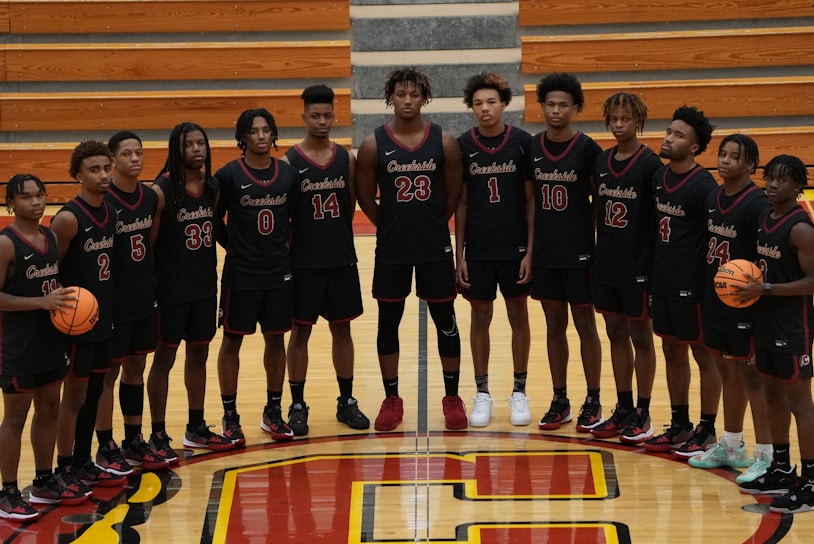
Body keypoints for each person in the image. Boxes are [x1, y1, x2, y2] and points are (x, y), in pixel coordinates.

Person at [356, 66, 466, 431]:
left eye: (414, 95)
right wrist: (386, 224)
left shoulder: (444, 141)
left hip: (434, 246)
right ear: (391, 98)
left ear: (424, 98)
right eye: (400, 95)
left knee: (446, 323)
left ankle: (452, 398)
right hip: (392, 248)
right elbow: (365, 196)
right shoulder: (374, 144)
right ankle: (391, 398)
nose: (407, 100)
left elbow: (453, 193)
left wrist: (435, 223)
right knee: (388, 323)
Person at [282, 85, 370, 434]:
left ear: (335, 116)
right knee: (300, 333)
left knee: (342, 329)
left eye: (327, 115)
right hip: (303, 262)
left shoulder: (346, 158)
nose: (322, 121)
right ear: (303, 117)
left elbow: (349, 208)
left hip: (339, 258)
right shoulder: (290, 161)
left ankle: (346, 401)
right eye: (315, 116)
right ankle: (298, 403)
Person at [0, 174, 85, 520]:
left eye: (40, 195)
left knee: (50, 408)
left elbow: (53, 285)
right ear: (11, 205)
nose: (35, 202)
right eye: (26, 197)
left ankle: (44, 480)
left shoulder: (50, 235)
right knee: (16, 417)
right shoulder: (6, 243)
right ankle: (7, 492)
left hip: (51, 340)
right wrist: (40, 302)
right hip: (17, 345)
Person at [688, 134, 772, 477]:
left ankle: (768, 456)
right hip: (716, 300)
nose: (725, 161)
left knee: (754, 378)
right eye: (722, 154)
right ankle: (733, 444)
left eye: (734, 157)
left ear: (750, 164)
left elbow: (765, 258)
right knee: (726, 369)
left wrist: (757, 301)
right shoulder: (712, 196)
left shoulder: (757, 205)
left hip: (746, 305)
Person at [734, 154, 814, 513]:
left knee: (800, 403)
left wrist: (764, 290)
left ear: (798, 185)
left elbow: (812, 282)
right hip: (764, 320)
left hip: (793, 325)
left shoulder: (801, 228)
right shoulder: (765, 218)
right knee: (771, 392)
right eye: (770, 177)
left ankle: (812, 482)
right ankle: (781, 466)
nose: (774, 183)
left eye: (783, 179)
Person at [148, 122, 232, 459]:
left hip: (203, 285)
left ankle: (195, 427)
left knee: (199, 354)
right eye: (190, 145)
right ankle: (157, 432)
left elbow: (218, 230)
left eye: (202, 143)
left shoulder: (211, 186)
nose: (198, 149)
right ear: (176, 150)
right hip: (170, 289)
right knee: (164, 359)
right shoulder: (161, 190)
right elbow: (151, 246)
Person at [526, 72, 604, 432]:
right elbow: (528, 203)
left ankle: (593, 398)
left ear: (575, 108)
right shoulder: (531, 147)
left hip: (580, 253)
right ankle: (560, 398)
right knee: (553, 325)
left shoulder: (588, 149)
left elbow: (600, 203)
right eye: (550, 104)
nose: (556, 110)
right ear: (541, 106)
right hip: (545, 252)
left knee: (585, 325)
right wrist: (528, 251)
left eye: (563, 105)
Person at [642, 106, 722, 459]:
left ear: (693, 147)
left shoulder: (704, 186)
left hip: (693, 285)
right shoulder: (659, 177)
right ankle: (679, 423)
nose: (669, 138)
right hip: (663, 279)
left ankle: (707, 429)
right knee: (670, 349)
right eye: (669, 131)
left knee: (702, 354)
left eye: (678, 135)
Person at [455, 72, 533, 427]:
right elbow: (462, 204)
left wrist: (531, 250)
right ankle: (482, 392)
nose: (484, 109)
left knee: (519, 315)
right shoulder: (463, 145)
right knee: (479, 318)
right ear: (471, 108)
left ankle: (519, 391)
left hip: (515, 248)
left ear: (504, 104)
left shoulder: (521, 143)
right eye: (477, 104)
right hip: (479, 249)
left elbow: (531, 202)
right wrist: (459, 255)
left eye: (491, 102)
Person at [215, 109, 298, 443]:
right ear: (243, 137)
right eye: (254, 131)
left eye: (267, 130)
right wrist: (234, 246)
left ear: (274, 134)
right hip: (241, 273)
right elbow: (214, 220)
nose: (262, 136)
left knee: (276, 339)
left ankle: (273, 411)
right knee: (232, 340)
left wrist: (281, 251)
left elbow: (294, 220)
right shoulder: (228, 176)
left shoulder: (288, 175)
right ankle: (230, 415)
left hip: (278, 272)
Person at [50, 141, 127, 494]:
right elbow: (50, 270)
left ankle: (83, 459)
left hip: (104, 315)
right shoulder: (68, 218)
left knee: (96, 390)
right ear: (77, 174)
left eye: (106, 168)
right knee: (75, 395)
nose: (103, 176)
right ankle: (64, 464)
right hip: (75, 322)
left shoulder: (110, 212)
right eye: (94, 170)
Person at [589, 93, 662, 443]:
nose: (619, 124)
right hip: (607, 263)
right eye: (614, 119)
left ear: (639, 122)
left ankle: (644, 411)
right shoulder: (601, 161)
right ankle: (623, 405)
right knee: (615, 334)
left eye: (626, 119)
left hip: (639, 267)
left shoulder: (650, 165)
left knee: (641, 338)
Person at [93, 132, 168, 475]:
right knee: (109, 373)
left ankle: (134, 438)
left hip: (143, 296)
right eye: (127, 154)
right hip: (113, 301)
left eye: (139, 152)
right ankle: (105, 444)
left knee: (136, 369)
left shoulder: (150, 197)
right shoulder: (104, 200)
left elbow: (150, 242)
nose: (135, 159)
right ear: (112, 160)